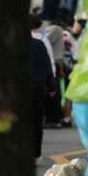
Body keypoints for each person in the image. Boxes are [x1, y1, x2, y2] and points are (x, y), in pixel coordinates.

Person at [30, 17, 56, 160]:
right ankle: (35, 153)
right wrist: (52, 86)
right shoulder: (39, 44)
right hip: (36, 89)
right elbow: (47, 66)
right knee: (36, 121)